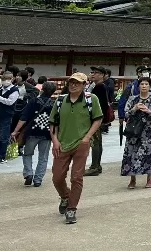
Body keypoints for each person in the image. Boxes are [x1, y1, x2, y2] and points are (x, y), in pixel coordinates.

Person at [50, 72, 103, 225]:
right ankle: (65, 196)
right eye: (71, 82)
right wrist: (55, 140)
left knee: (76, 177)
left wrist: (87, 137)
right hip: (62, 143)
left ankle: (72, 208)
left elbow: (98, 120)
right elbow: (53, 122)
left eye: (77, 83)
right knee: (57, 177)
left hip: (81, 143)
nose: (73, 85)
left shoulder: (91, 100)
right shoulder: (60, 100)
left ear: (84, 85)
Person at [12, 80, 57, 187]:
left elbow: (24, 117)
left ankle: (28, 173)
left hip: (32, 132)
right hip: (47, 133)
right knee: (43, 157)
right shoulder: (54, 104)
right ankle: (38, 179)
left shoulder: (33, 101)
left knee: (27, 153)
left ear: (42, 90)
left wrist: (15, 131)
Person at [121, 77, 151, 189]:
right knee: (131, 153)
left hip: (147, 131)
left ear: (149, 86)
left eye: (146, 84)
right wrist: (135, 108)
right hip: (133, 131)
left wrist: (148, 111)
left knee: (148, 154)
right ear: (138, 86)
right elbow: (126, 114)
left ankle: (149, 179)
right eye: (141, 84)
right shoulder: (133, 99)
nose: (143, 86)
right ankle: (132, 179)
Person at [84, 66, 111, 176]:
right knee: (97, 142)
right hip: (95, 118)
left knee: (95, 143)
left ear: (102, 75)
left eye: (96, 73)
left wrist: (98, 119)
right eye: (92, 72)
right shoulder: (94, 85)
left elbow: (102, 105)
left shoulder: (100, 87)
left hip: (96, 118)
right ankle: (96, 165)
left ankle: (94, 166)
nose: (93, 74)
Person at [0, 71, 18, 163]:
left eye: (8, 79)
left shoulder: (14, 90)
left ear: (12, 79)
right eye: (3, 79)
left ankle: (2, 156)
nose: (5, 81)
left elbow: (10, 102)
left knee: (3, 136)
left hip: (7, 116)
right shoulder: (0, 88)